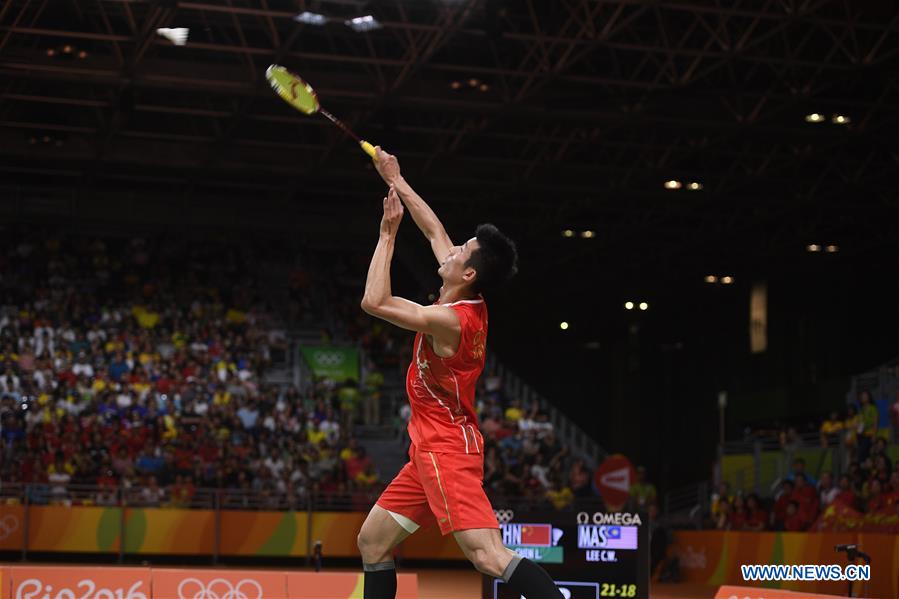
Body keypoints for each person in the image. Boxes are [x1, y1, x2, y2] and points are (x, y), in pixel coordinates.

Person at [356, 148, 562, 599]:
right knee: (372, 542)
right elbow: (433, 229)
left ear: (467, 273)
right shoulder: (465, 295)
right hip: (427, 448)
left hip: (446, 449)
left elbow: (375, 302)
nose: (451, 249)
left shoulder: (451, 321)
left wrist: (387, 234)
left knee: (488, 555)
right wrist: (395, 178)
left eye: (462, 250)